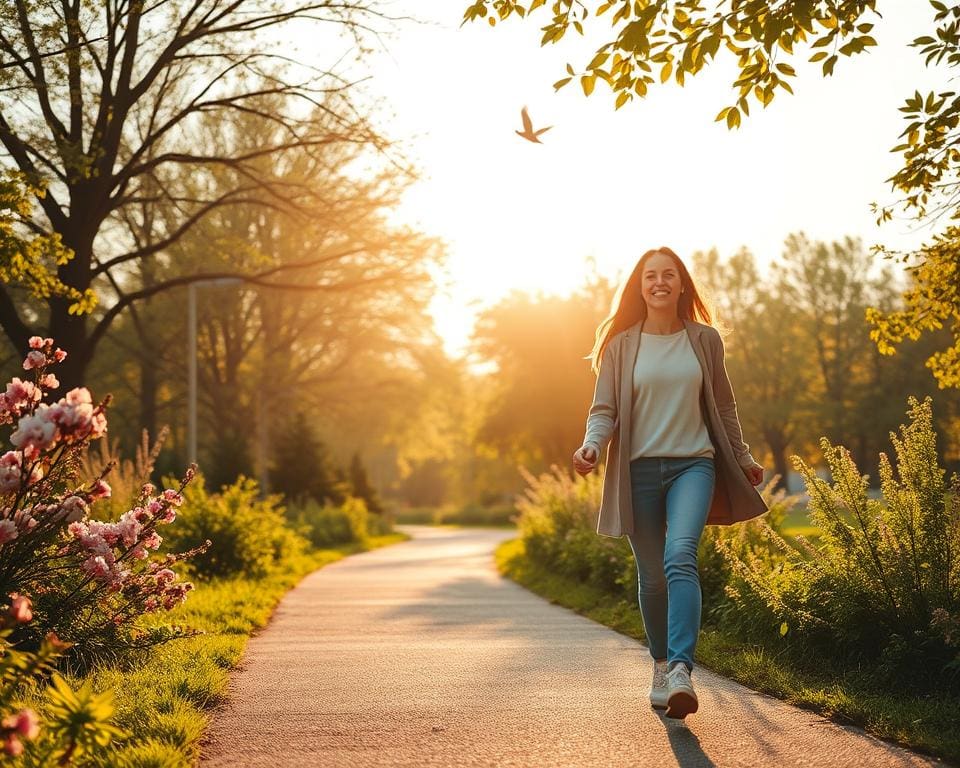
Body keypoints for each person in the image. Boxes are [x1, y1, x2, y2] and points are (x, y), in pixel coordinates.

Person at [571, 246, 768, 720]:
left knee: (680, 556)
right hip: (636, 470)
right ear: (640, 287)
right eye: (650, 276)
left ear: (682, 284)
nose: (659, 282)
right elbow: (605, 410)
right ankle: (659, 665)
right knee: (652, 577)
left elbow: (723, 407)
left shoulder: (704, 340)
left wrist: (741, 457)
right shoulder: (621, 346)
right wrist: (592, 446)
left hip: (692, 466)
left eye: (669, 275)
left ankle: (681, 669)